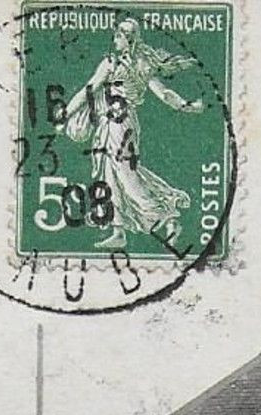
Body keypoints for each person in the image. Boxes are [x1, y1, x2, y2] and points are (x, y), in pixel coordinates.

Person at [61, 16, 204, 251]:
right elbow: (165, 93)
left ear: (128, 39)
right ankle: (118, 231)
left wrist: (65, 113)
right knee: (108, 175)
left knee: (126, 175)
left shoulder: (114, 63)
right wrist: (187, 106)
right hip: (112, 124)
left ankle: (166, 217)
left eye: (118, 36)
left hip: (120, 124)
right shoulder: (140, 63)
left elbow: (89, 89)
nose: (115, 40)